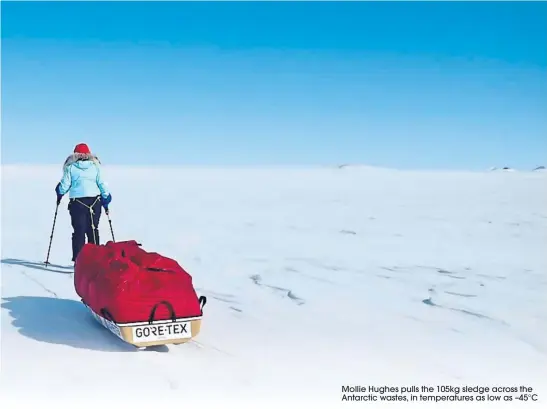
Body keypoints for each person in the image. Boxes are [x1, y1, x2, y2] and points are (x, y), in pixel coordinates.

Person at [55, 143, 113, 262]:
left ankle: (78, 261)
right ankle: (96, 260)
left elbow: (64, 186)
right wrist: (106, 198)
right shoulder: (95, 166)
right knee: (93, 229)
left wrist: (59, 192)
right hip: (94, 202)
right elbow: (102, 184)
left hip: (77, 204)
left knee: (79, 232)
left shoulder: (70, 167)